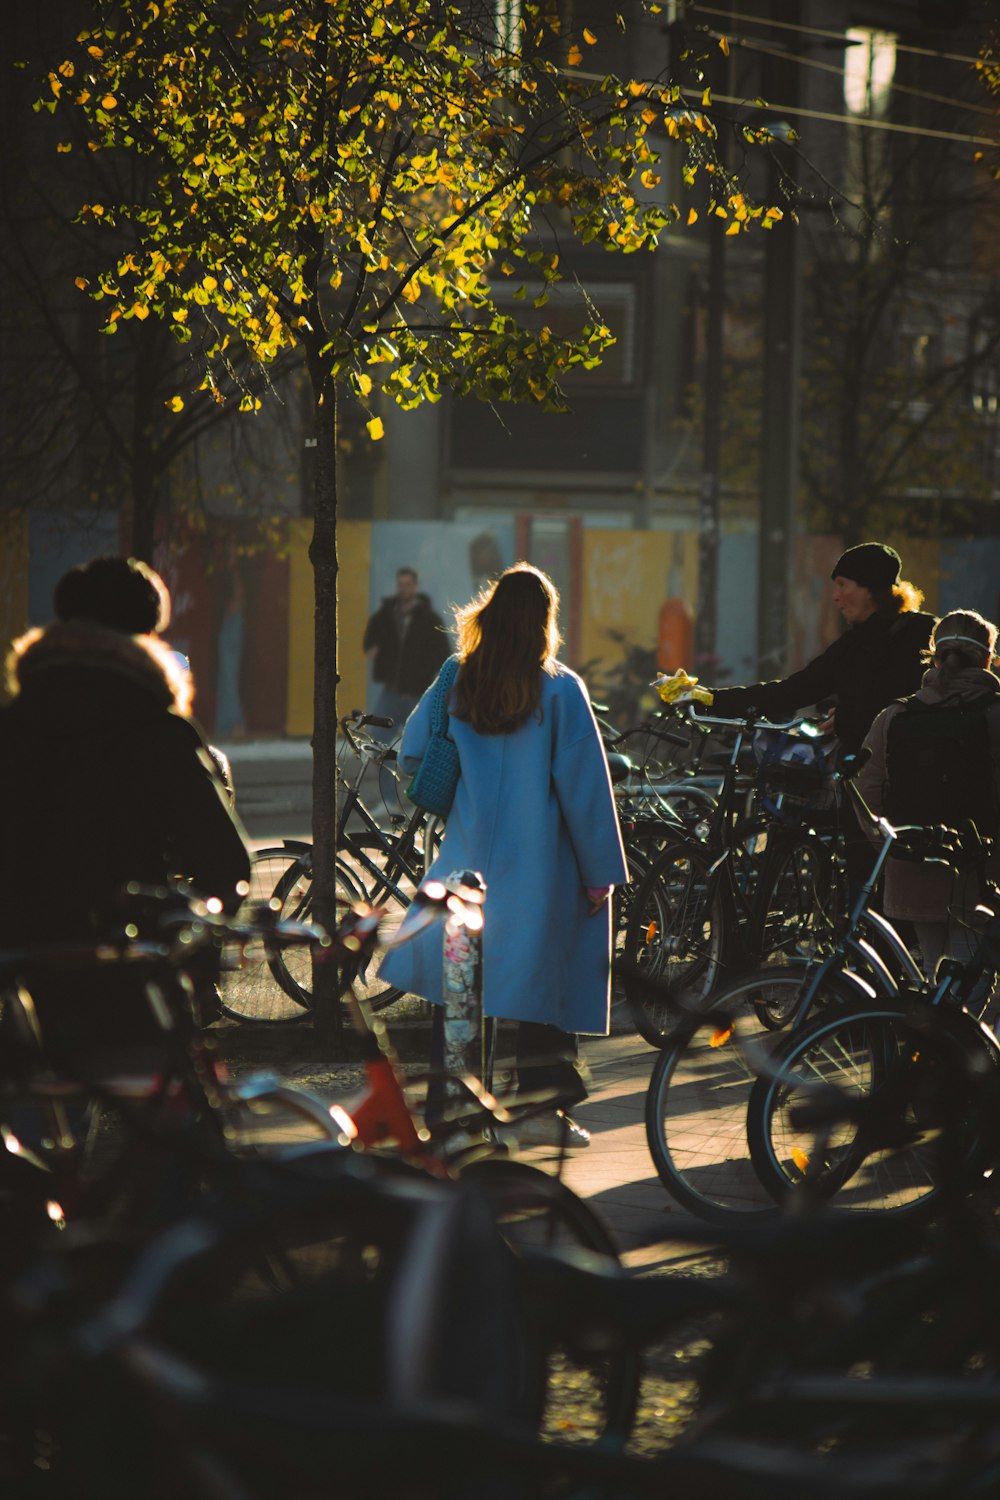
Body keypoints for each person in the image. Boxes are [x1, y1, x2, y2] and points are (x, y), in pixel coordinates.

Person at [378, 564, 628, 1148]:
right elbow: (584, 788)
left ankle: (458, 1123)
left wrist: (460, 796)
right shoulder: (561, 687)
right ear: (544, 620)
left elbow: (412, 755)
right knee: (546, 987)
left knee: (462, 993)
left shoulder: (456, 679)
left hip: (465, 868)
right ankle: (539, 1110)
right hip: (541, 873)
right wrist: (600, 877)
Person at [0, 555, 252, 1054]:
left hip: (18, 982)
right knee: (171, 1125)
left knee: (39, 1119)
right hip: (126, 973)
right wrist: (192, 945)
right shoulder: (157, 732)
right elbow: (224, 864)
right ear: (146, 635)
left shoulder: (12, 725)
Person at [706, 542, 935, 890]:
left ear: (870, 588)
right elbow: (797, 690)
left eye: (843, 585)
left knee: (881, 884)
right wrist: (711, 700)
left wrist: (848, 717)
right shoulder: (858, 642)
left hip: (903, 785)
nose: (835, 596)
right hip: (873, 784)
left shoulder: (922, 636)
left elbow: (907, 703)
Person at [855, 609, 1000, 981]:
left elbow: (866, 790)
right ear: (988, 659)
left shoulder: (896, 715)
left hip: (913, 865)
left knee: (932, 969)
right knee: (971, 978)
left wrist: (892, 848)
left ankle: (932, 1032)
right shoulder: (994, 714)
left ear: (933, 656)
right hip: (979, 869)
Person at [363, 566, 450, 732]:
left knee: (418, 740)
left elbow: (442, 652)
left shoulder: (429, 618)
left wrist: (423, 673)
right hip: (392, 690)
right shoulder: (387, 613)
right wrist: (371, 648)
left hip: (417, 693)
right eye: (400, 584)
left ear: (416, 586)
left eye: (407, 584)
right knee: (378, 740)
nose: (403, 589)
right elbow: (371, 633)